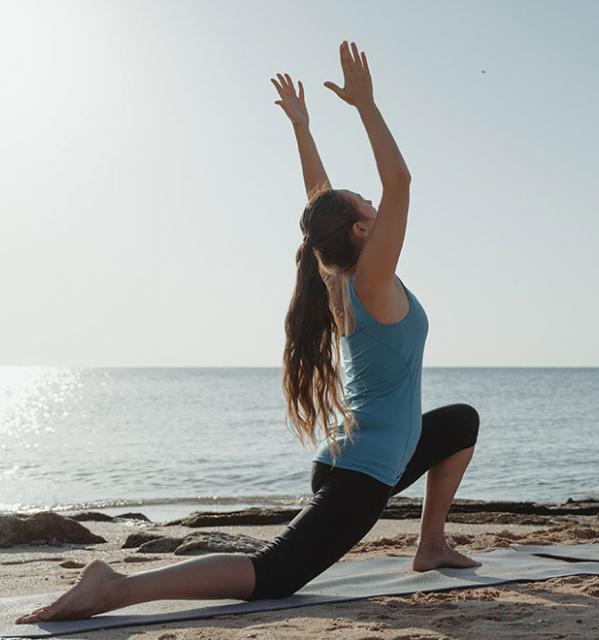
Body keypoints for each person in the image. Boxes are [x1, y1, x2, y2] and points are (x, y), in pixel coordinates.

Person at [18, 41, 480, 625]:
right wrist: (365, 106)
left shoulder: (339, 276)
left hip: (354, 452)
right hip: (362, 472)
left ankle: (430, 544)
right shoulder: (369, 281)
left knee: (460, 420)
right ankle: (117, 587)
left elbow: (320, 207)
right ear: (365, 230)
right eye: (365, 203)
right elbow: (401, 181)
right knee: (275, 575)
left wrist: (304, 128)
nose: (371, 197)